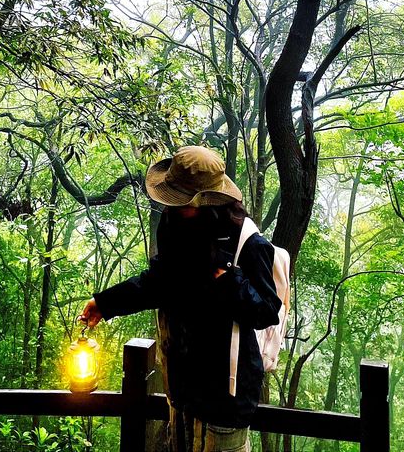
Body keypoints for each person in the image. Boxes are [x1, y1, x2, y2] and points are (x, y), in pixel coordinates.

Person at [80, 145, 282, 452]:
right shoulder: (174, 224)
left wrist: (230, 280)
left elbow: (267, 311)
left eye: (178, 199)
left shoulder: (248, 243)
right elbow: (160, 283)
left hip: (226, 396)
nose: (170, 204)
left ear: (206, 201)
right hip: (182, 386)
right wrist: (105, 303)